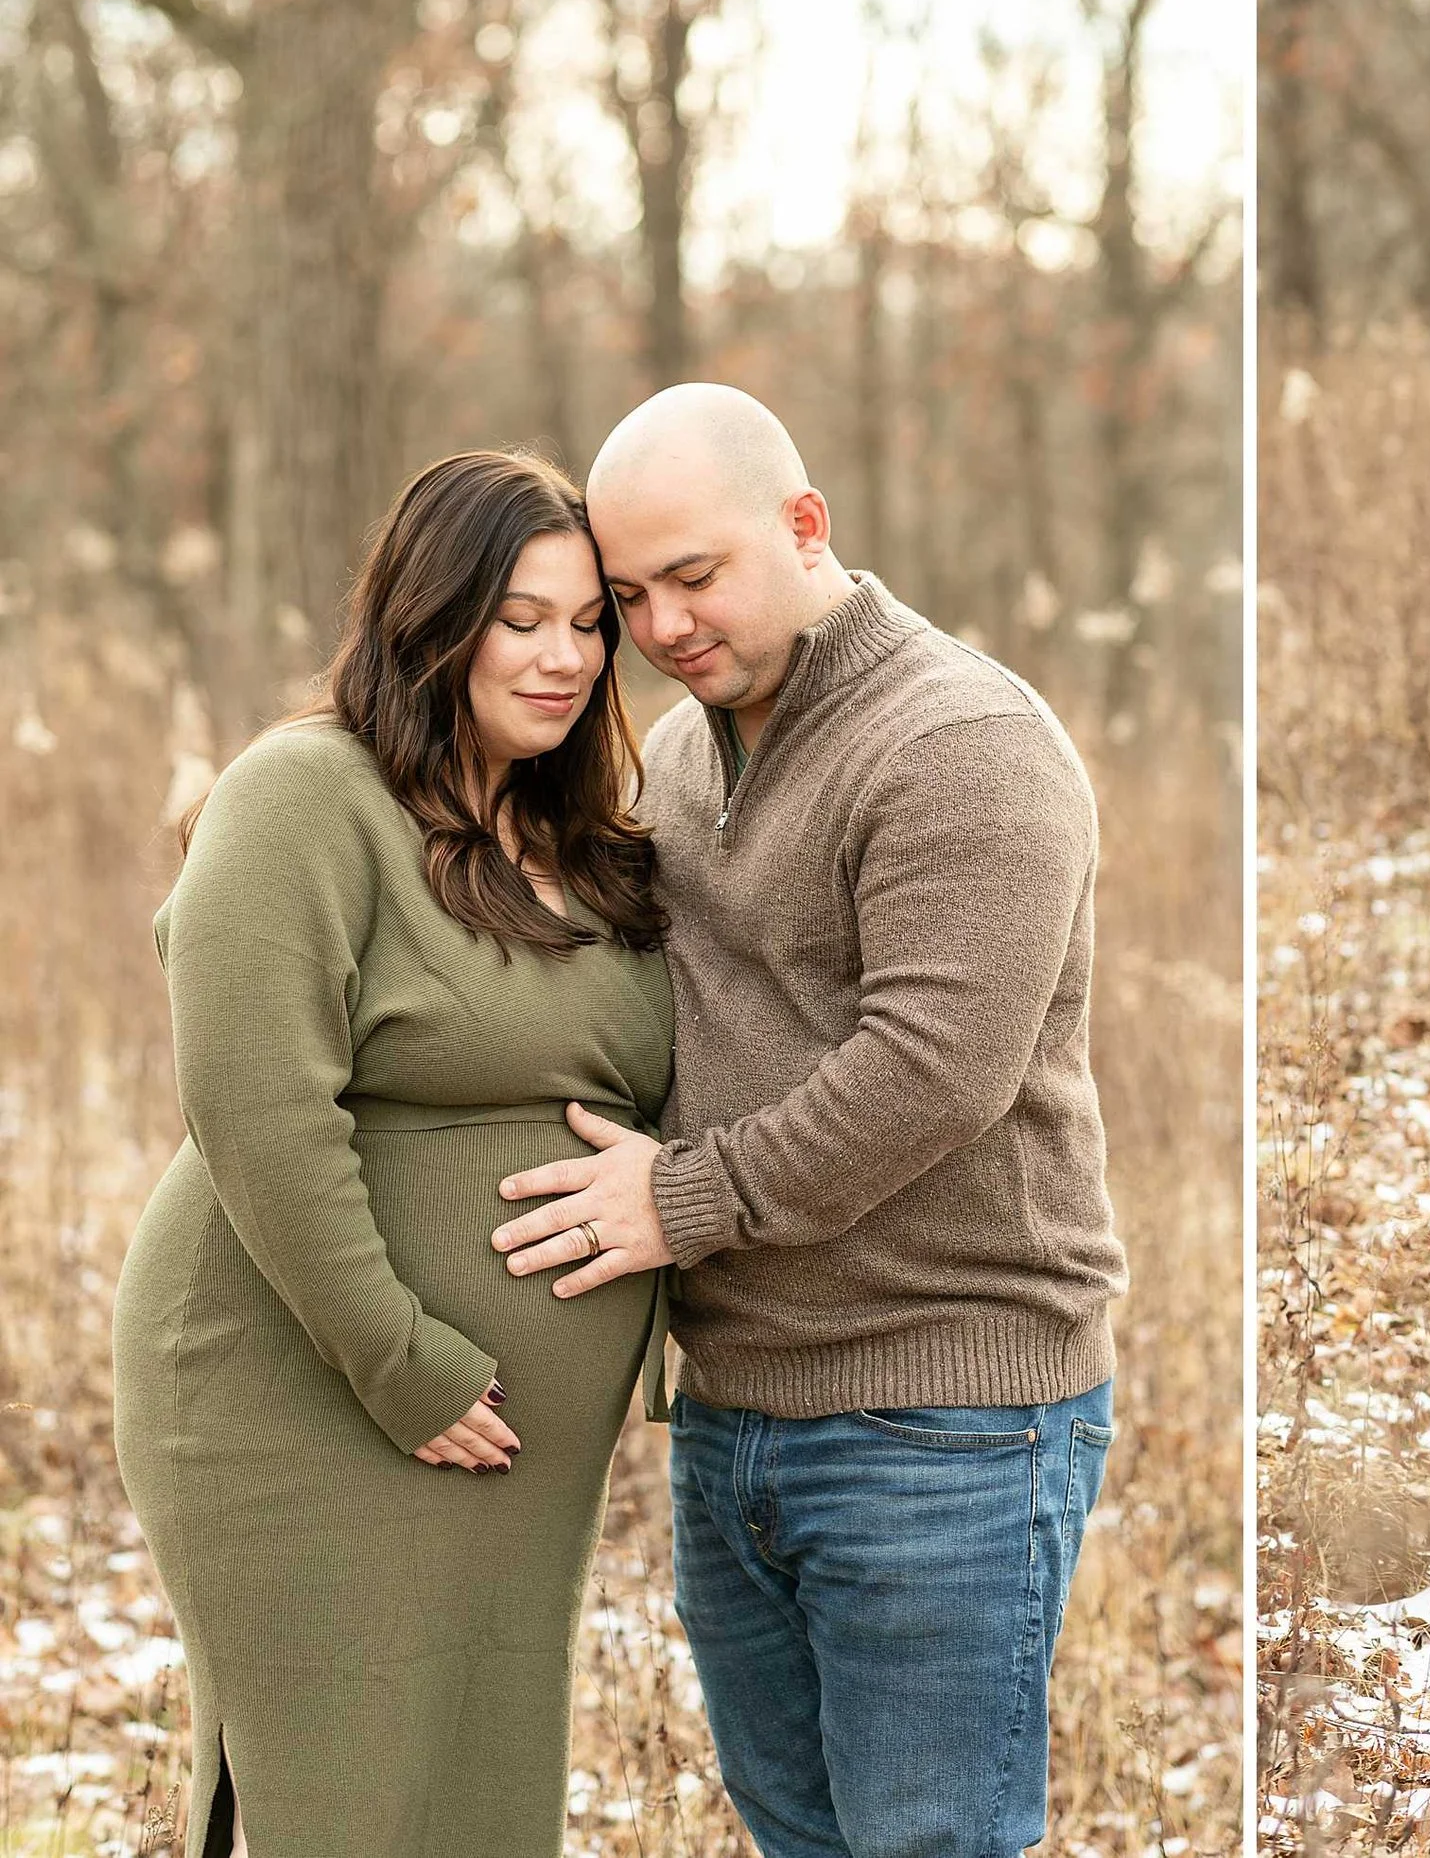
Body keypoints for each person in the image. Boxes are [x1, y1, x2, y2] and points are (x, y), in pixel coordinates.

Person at [483, 384, 1129, 1857]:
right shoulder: (684, 755)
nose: (661, 627)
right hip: (736, 1412)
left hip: (943, 1416)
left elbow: (936, 1067)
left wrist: (680, 1201)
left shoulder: (962, 741)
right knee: (800, 1837)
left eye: (694, 577)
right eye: (630, 596)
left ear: (804, 522)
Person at [113, 451, 675, 1856]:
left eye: (588, 623)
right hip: (307, 1390)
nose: (565, 657)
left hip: (510, 1447)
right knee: (340, 1801)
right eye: (520, 618)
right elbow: (255, 1103)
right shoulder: (305, 795)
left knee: (473, 1798)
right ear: (432, 617)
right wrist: (398, 1358)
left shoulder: (579, 835)